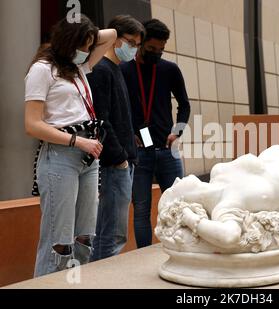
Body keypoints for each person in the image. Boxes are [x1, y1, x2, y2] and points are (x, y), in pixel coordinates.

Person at [24, 15, 117, 277]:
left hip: (88, 157)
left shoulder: (79, 67)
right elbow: (32, 125)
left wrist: (85, 33)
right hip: (61, 155)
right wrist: (77, 140)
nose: (87, 51)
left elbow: (110, 35)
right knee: (59, 242)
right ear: (67, 42)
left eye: (89, 46)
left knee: (85, 237)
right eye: (82, 45)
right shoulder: (42, 69)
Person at [157, 145, 279, 249]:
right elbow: (228, 236)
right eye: (175, 188)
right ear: (184, 203)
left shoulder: (218, 172)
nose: (176, 179)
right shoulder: (224, 207)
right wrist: (191, 220)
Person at [121, 19, 191, 248]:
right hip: (139, 152)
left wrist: (177, 130)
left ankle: (179, 249)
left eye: (161, 50)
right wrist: (128, 134)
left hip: (167, 149)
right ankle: (144, 254)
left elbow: (184, 104)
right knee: (141, 209)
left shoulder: (170, 70)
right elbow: (117, 108)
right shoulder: (124, 70)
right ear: (141, 43)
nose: (156, 54)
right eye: (151, 49)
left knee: (177, 205)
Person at [87, 15, 144, 260]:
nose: (133, 49)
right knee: (110, 235)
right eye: (130, 42)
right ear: (114, 38)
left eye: (136, 45)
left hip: (124, 162)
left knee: (113, 233)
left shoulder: (116, 70)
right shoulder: (100, 70)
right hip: (113, 165)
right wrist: (120, 158)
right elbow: (102, 120)